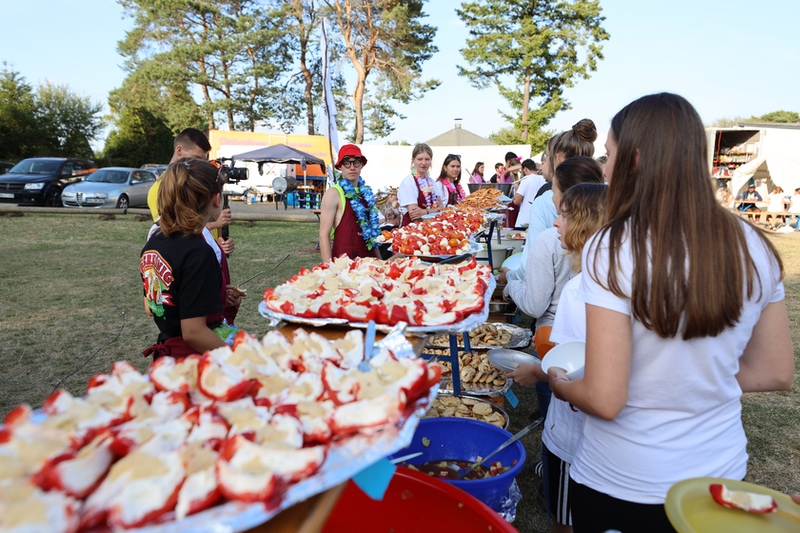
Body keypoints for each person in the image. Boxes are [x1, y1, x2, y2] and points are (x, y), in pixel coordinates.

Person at [547, 93, 793, 532]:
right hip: (718, 474)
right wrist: (695, 380)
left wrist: (561, 386)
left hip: (625, 480)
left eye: (610, 154)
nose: (605, 170)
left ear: (636, 159)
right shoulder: (754, 245)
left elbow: (604, 398)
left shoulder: (613, 246)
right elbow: (774, 371)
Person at [510, 182, 608, 533]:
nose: (555, 223)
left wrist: (538, 373)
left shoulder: (580, 290)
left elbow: (572, 366)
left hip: (572, 436)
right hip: (597, 442)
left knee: (563, 520)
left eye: (563, 216)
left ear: (583, 224)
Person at [140, 158, 242, 358]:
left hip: (167, 355)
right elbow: (193, 333)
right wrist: (237, 360)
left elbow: (152, 307)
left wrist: (218, 297)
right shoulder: (198, 252)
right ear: (215, 199)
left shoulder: (153, 243)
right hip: (193, 360)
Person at [503, 119, 597, 283]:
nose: (541, 166)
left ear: (557, 158)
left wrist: (508, 277)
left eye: (545, 158)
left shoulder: (546, 201)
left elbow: (531, 264)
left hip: (554, 292)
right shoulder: (600, 194)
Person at [147, 128, 234, 256]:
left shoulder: (195, 182)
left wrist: (219, 242)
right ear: (179, 150)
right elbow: (174, 233)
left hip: (206, 253)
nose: (199, 164)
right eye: (196, 158)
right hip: (190, 258)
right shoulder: (161, 187)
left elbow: (207, 217)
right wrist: (216, 224)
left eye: (203, 160)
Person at [319, 144, 381, 262]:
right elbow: (323, 235)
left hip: (370, 263)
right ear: (340, 166)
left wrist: (380, 261)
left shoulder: (367, 194)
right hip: (344, 264)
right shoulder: (333, 193)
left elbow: (372, 236)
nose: (352, 167)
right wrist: (329, 267)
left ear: (361, 165)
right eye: (347, 163)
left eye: (356, 162)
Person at [398, 143, 442, 225]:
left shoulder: (432, 182)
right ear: (413, 160)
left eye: (427, 159)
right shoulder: (408, 182)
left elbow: (441, 208)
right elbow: (415, 216)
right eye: (420, 159)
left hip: (431, 227)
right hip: (412, 229)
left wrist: (424, 212)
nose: (424, 163)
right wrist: (435, 211)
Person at [511, 159, 545, 228]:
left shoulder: (526, 180)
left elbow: (516, 201)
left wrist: (517, 189)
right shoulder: (544, 179)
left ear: (525, 169)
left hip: (525, 219)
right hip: (540, 220)